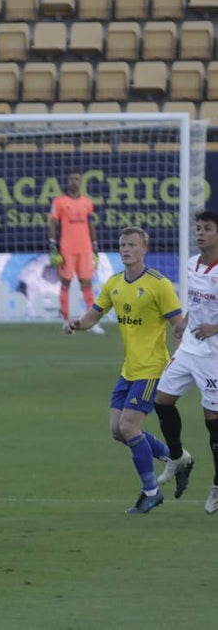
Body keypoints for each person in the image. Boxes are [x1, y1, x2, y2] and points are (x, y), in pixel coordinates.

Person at [64, 226, 185, 514]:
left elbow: (179, 327)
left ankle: (151, 492)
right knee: (117, 431)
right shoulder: (114, 283)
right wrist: (76, 324)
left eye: (132, 244)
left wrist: (178, 361)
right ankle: (178, 459)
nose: (126, 249)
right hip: (129, 369)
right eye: (122, 245)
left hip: (153, 368)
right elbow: (92, 317)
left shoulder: (160, 285)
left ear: (145, 249)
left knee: (129, 426)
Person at [152, 210, 218, 514]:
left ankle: (217, 485)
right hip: (189, 348)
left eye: (207, 228)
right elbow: (196, 304)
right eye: (198, 228)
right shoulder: (192, 264)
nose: (200, 233)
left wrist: (214, 328)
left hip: (213, 355)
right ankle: (179, 458)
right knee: (162, 401)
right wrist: (184, 323)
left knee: (212, 421)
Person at [49, 172, 104, 334]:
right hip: (67, 249)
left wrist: (95, 245)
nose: (74, 182)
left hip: (85, 249)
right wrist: (52, 245)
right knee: (65, 283)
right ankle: (65, 321)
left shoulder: (87, 202)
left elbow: (90, 224)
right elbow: (53, 223)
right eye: (71, 179)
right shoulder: (59, 202)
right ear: (67, 181)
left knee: (87, 284)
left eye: (77, 179)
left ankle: (91, 323)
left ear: (80, 182)